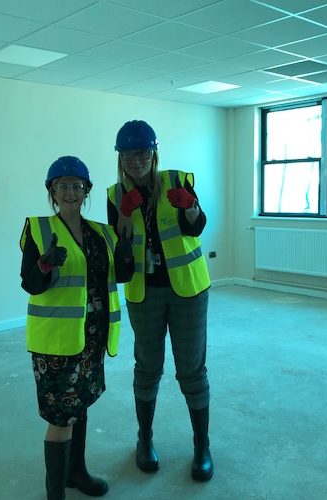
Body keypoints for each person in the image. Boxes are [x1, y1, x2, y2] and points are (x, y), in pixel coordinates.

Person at [20, 156, 133, 499]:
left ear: (87, 191)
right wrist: (44, 265)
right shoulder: (38, 229)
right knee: (60, 418)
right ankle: (55, 493)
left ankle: (76, 473)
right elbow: (30, 283)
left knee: (80, 405)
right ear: (52, 192)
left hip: (92, 337)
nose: (70, 192)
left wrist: (126, 249)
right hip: (56, 342)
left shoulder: (101, 233)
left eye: (77, 186)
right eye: (62, 186)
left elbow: (121, 275)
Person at [107, 120, 213, 481]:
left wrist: (190, 206)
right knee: (148, 368)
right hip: (144, 293)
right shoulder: (114, 196)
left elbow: (196, 226)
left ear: (154, 153)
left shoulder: (177, 180)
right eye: (128, 154)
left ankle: (202, 446)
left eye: (143, 153)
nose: (136, 160)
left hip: (188, 291)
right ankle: (145, 440)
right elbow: (119, 252)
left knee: (192, 370)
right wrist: (124, 214)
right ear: (120, 159)